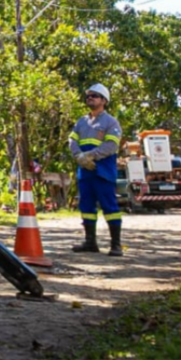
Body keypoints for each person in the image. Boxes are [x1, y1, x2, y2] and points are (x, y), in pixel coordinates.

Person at [69, 83, 124, 256]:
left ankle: (116, 245)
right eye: (88, 96)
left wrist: (91, 155)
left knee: (109, 206)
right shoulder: (81, 122)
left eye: (94, 95)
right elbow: (72, 141)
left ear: (104, 100)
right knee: (86, 206)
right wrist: (79, 156)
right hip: (85, 172)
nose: (90, 98)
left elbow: (111, 146)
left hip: (102, 171)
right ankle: (90, 242)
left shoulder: (110, 122)